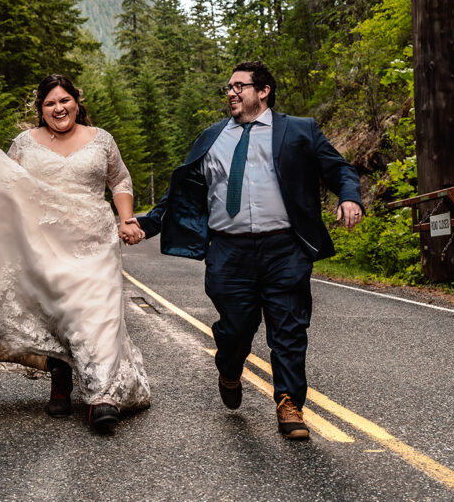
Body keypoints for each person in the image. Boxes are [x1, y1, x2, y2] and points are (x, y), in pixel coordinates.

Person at [128, 61, 362, 441]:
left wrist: (350, 198)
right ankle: (229, 365)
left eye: (240, 86)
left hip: (284, 248)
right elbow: (182, 193)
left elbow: (340, 170)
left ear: (264, 90)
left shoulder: (298, 130)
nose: (232, 93)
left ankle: (289, 404)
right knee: (235, 327)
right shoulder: (212, 137)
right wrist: (145, 224)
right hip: (228, 252)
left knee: (289, 328)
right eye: (229, 87)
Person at [0, 74, 150, 434]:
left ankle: (102, 397)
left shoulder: (102, 140)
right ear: (40, 108)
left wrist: (127, 218)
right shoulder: (25, 143)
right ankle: (60, 375)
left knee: (97, 311)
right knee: (58, 311)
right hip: (42, 243)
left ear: (77, 101)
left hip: (94, 240)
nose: (59, 108)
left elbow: (120, 181)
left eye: (65, 100)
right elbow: (6, 187)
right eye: (50, 103)